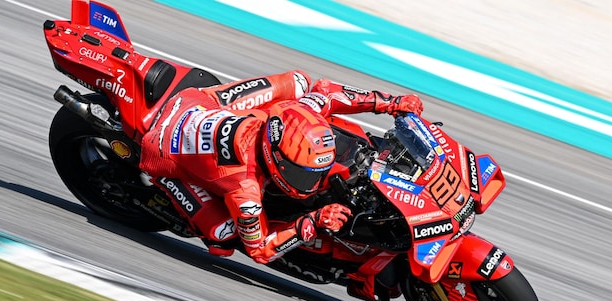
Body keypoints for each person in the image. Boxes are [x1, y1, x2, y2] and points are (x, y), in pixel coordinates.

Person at [139, 70, 423, 265]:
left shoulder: (300, 112)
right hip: (161, 150)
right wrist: (313, 221)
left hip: (199, 103)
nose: (315, 182)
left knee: (299, 82)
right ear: (276, 160)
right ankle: (165, 185)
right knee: (224, 235)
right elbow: (260, 251)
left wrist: (392, 103)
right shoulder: (245, 190)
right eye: (304, 174)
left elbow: (328, 93)